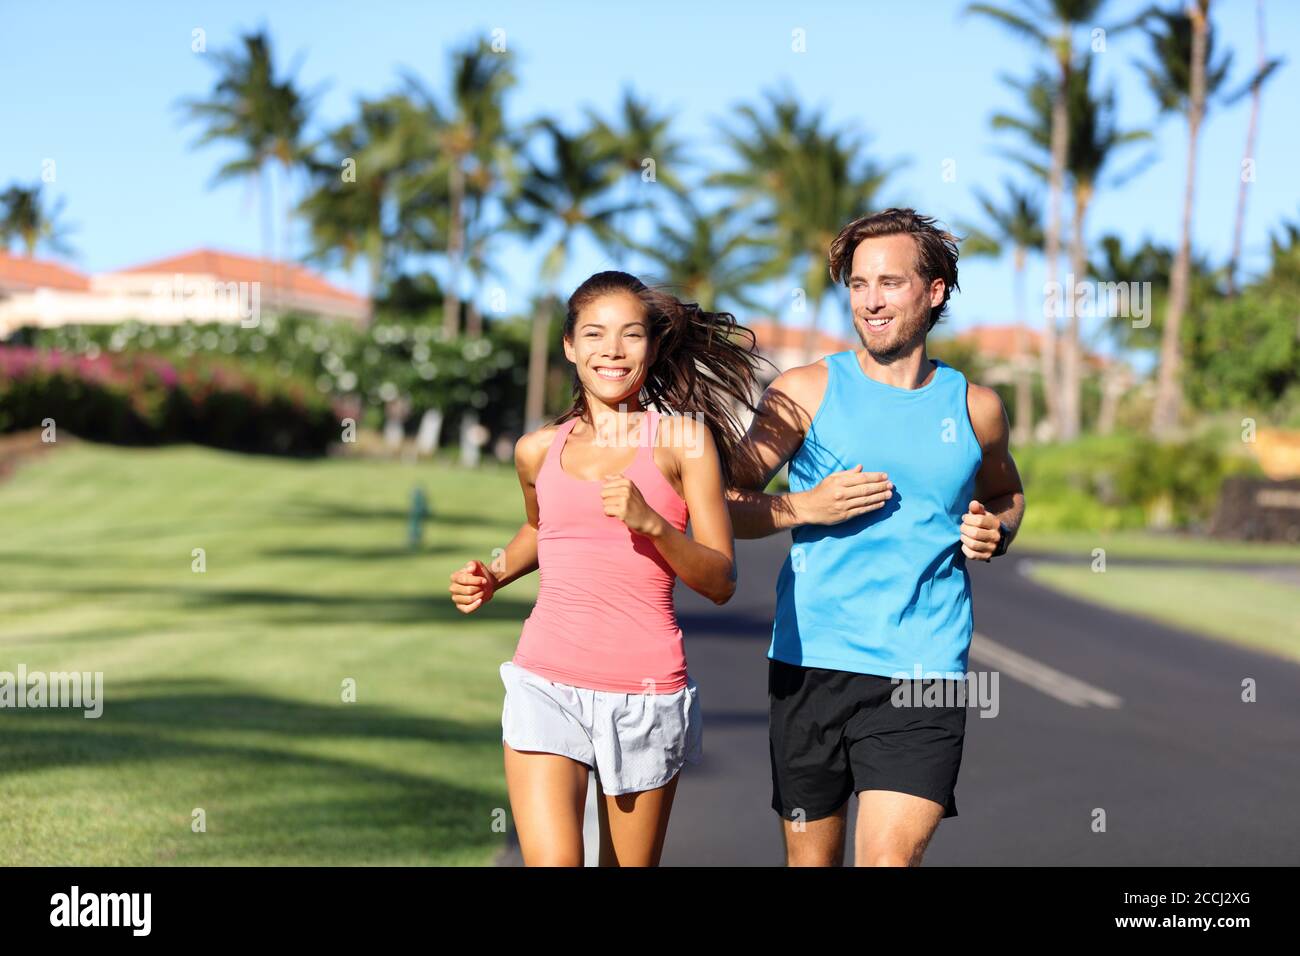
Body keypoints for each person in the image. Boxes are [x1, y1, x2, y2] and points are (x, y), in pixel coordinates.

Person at [725, 207, 1026, 866]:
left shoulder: (975, 407)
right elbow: (722, 502)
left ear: (935, 290)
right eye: (858, 285)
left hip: (924, 668)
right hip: (812, 662)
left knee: (889, 861)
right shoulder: (803, 391)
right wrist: (802, 507)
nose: (870, 301)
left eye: (889, 282)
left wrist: (994, 529)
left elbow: (1005, 493)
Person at [449, 270, 767, 866]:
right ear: (570, 347)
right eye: (594, 334)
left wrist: (653, 524)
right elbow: (542, 530)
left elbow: (721, 579)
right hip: (545, 679)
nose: (612, 351)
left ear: (651, 345)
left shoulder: (684, 442)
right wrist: (494, 575)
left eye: (630, 335)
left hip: (643, 693)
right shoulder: (538, 448)